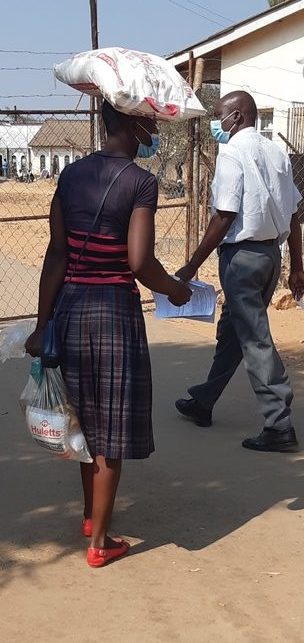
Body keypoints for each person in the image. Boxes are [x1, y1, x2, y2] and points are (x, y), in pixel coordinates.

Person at [25, 100, 191, 568]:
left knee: (83, 420)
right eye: (150, 118)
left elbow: (55, 255)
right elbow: (139, 263)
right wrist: (176, 291)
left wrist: (42, 326)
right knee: (112, 428)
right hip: (115, 312)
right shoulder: (142, 183)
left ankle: (86, 515)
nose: (155, 124)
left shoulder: (71, 176)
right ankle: (99, 542)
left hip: (71, 309)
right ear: (132, 123)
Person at [175, 90, 304, 453]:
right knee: (234, 331)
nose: (217, 123)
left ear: (238, 117)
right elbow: (294, 215)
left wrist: (191, 265)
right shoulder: (276, 153)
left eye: (220, 115)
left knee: (254, 339)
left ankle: (279, 424)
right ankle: (204, 400)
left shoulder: (232, 152)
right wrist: (296, 266)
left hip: (243, 259)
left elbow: (225, 215)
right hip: (270, 257)